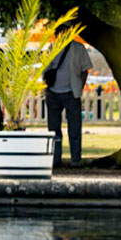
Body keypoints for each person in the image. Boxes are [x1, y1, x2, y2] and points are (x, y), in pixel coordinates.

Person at [44, 23, 92, 168]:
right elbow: (45, 70)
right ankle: (55, 159)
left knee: (75, 128)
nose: (60, 35)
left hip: (71, 93)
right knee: (53, 130)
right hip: (53, 93)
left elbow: (85, 70)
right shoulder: (51, 48)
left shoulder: (78, 48)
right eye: (58, 33)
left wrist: (79, 88)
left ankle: (75, 159)